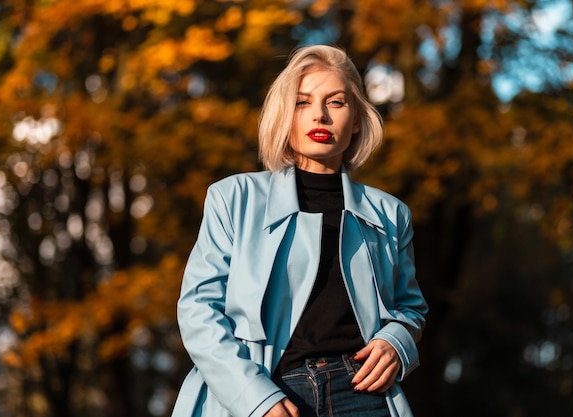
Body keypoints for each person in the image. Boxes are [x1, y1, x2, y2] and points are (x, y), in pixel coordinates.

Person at [171, 44, 428, 417]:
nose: (319, 116)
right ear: (284, 115)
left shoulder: (390, 214)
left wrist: (396, 342)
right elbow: (198, 311)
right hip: (264, 390)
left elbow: (410, 307)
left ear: (356, 119)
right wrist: (255, 397)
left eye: (336, 103)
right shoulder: (233, 198)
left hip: (363, 394)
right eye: (302, 102)